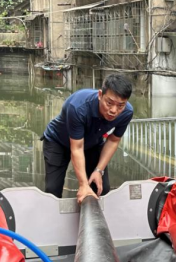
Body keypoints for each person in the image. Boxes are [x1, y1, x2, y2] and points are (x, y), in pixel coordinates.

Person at [42, 73, 134, 203]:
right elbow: (77, 148)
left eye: (120, 105)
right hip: (58, 142)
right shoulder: (78, 107)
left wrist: (98, 170)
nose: (114, 110)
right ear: (100, 95)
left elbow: (113, 140)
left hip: (91, 144)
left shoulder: (127, 113)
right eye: (109, 103)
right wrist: (83, 184)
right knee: (53, 190)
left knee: (101, 188)